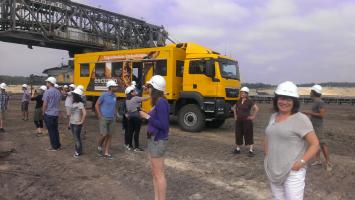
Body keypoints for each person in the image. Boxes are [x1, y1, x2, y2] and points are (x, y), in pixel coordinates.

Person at [264, 81, 320, 200]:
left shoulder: (301, 119)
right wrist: (267, 156)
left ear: (294, 102)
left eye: (289, 99)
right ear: (276, 99)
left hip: (292, 173)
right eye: (281, 98)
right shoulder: (273, 117)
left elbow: (315, 144)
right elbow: (268, 137)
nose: (284, 102)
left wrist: (300, 162)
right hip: (274, 169)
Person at [139, 75, 169, 200]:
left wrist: (147, 117)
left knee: (159, 174)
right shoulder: (159, 101)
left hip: (157, 141)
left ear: (154, 88)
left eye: (149, 87)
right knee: (155, 173)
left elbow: (164, 125)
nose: (148, 89)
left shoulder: (161, 102)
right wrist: (146, 114)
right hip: (154, 140)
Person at [303, 84, 331, 171]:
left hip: (318, 126)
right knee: (316, 143)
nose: (310, 93)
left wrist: (308, 113)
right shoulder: (316, 102)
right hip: (314, 125)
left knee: (322, 144)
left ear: (314, 93)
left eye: (311, 91)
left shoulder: (320, 102)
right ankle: (318, 160)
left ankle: (328, 163)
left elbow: (322, 115)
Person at [233, 87, 259, 157]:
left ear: (247, 94)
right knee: (238, 134)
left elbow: (256, 108)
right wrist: (235, 115)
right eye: (241, 92)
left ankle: (251, 150)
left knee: (249, 134)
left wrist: (253, 116)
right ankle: (238, 149)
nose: (242, 94)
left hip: (247, 121)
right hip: (238, 121)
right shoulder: (239, 100)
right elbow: (234, 108)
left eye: (243, 93)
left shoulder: (249, 101)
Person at [95, 80, 118, 160]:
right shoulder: (103, 95)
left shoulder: (115, 96)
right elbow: (97, 105)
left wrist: (115, 114)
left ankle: (106, 152)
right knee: (104, 134)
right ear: (110, 87)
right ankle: (99, 146)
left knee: (109, 136)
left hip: (112, 118)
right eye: (115, 86)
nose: (116, 87)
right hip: (104, 118)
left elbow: (114, 106)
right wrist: (99, 115)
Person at [125, 85, 150, 151]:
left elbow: (136, 106)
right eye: (134, 91)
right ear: (131, 92)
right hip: (136, 117)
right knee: (136, 132)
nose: (135, 91)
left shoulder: (127, 100)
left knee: (130, 132)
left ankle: (130, 146)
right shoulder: (135, 98)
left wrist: (142, 88)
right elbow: (146, 98)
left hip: (130, 117)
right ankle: (136, 147)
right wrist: (153, 94)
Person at [43, 77, 63, 151]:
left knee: (51, 131)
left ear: (49, 83)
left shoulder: (47, 92)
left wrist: (43, 112)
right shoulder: (58, 92)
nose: (46, 83)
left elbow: (45, 104)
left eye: (47, 82)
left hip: (49, 113)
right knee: (55, 130)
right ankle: (58, 145)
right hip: (55, 113)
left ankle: (54, 147)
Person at [69, 88, 87, 158]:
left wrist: (81, 121)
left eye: (73, 95)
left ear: (76, 96)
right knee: (76, 137)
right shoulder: (73, 103)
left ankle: (78, 152)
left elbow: (84, 113)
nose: (72, 96)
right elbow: (71, 114)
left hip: (77, 124)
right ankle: (79, 150)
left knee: (76, 138)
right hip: (72, 123)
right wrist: (69, 123)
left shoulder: (80, 104)